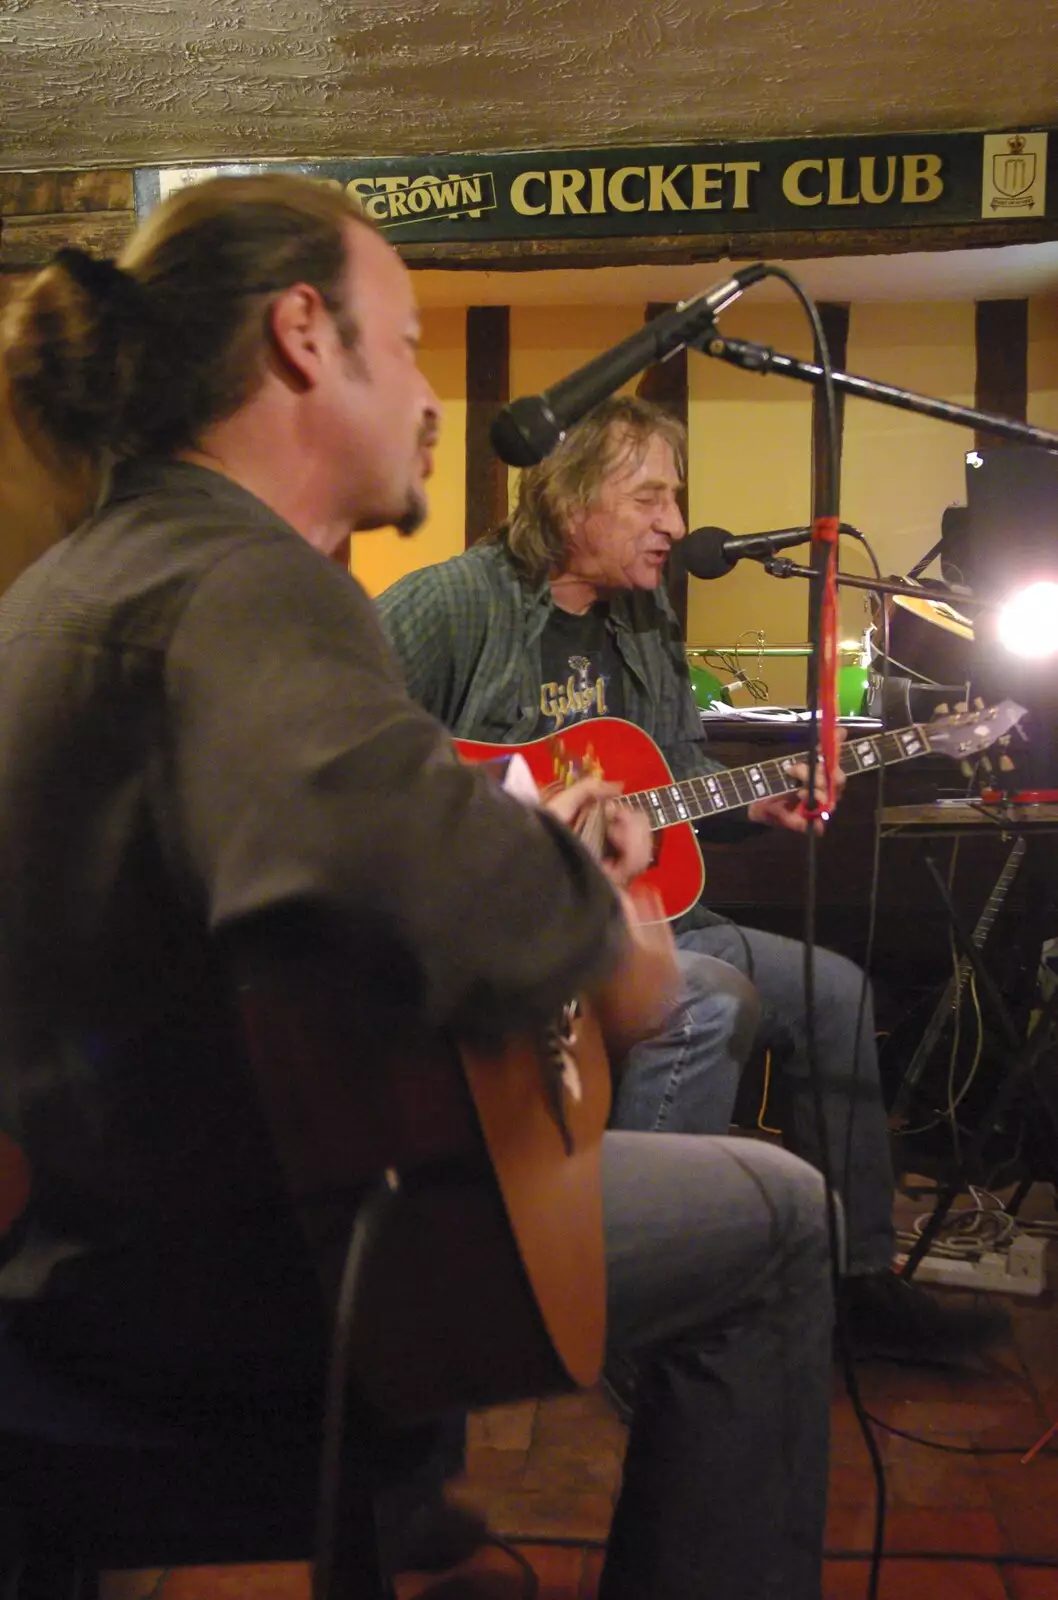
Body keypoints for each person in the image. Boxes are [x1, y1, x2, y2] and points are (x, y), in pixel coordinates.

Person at [0, 176, 834, 1599]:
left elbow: (307, 856)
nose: (434, 401)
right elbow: (513, 946)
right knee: (778, 1215)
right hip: (253, 1270)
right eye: (405, 344)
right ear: (303, 336)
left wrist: (516, 844)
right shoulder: (248, 582)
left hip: (100, 1245)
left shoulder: (76, 584)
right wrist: (606, 936)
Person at [377, 392, 1009, 1365]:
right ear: (572, 494)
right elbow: (343, 753)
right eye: (650, 498)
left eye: (675, 499)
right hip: (506, 936)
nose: (674, 524)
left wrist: (751, 803)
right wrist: (495, 828)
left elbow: (669, 784)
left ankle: (855, 1280)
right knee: (698, 1001)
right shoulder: (456, 602)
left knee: (834, 991)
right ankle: (635, 1309)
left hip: (642, 917)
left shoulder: (643, 622)